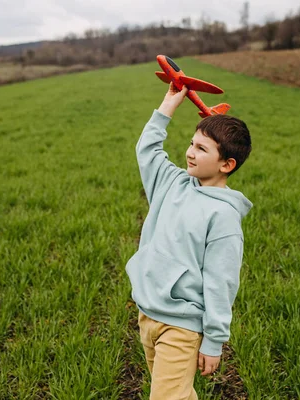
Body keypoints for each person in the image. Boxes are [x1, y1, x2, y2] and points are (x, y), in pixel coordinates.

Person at [125, 82, 252, 399]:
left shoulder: (222, 217)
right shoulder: (172, 182)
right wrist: (169, 103)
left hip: (182, 326)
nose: (189, 152)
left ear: (226, 165)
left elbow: (221, 281)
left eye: (201, 149)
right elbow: (148, 149)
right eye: (192, 143)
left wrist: (214, 340)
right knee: (174, 393)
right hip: (148, 313)